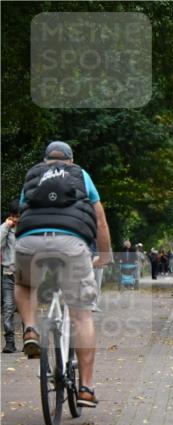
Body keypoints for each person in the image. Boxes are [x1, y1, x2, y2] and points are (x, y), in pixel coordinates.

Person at [14, 140, 112, 407]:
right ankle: (86, 388)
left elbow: (23, 213)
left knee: (24, 283)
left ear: (46, 160)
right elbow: (100, 221)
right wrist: (104, 256)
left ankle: (31, 328)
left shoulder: (33, 175)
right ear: (70, 160)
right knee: (81, 314)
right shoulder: (80, 174)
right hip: (71, 244)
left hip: (29, 242)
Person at [1, 201, 19, 352]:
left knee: (27, 309)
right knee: (8, 309)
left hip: (26, 275)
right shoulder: (7, 228)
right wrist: (6, 226)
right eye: (14, 216)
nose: (16, 219)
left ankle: (30, 340)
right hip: (8, 274)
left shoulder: (29, 228)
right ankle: (10, 342)